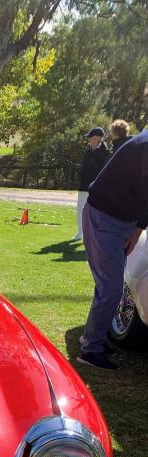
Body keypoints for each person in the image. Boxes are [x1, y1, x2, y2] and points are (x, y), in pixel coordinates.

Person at [78, 129, 148, 371]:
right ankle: (90, 350)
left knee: (110, 287)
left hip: (117, 219)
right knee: (111, 289)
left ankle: (92, 338)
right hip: (105, 219)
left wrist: (138, 227)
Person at [72, 127, 110, 241]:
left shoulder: (105, 152)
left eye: (90, 137)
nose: (88, 139)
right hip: (83, 186)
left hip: (96, 189)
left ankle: (95, 235)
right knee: (80, 210)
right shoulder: (88, 150)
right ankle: (80, 232)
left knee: (96, 213)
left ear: (97, 138)